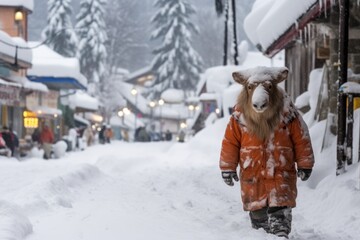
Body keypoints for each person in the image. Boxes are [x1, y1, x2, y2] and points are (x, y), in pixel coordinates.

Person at [220, 67, 314, 239]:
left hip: (281, 176)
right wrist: (228, 167)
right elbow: (231, 143)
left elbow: (301, 139)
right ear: (247, 91)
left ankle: (280, 232)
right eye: (251, 87)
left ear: (273, 89)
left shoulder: (288, 115)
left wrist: (305, 163)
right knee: (259, 224)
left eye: (268, 87)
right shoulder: (239, 118)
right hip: (253, 178)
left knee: (280, 222)